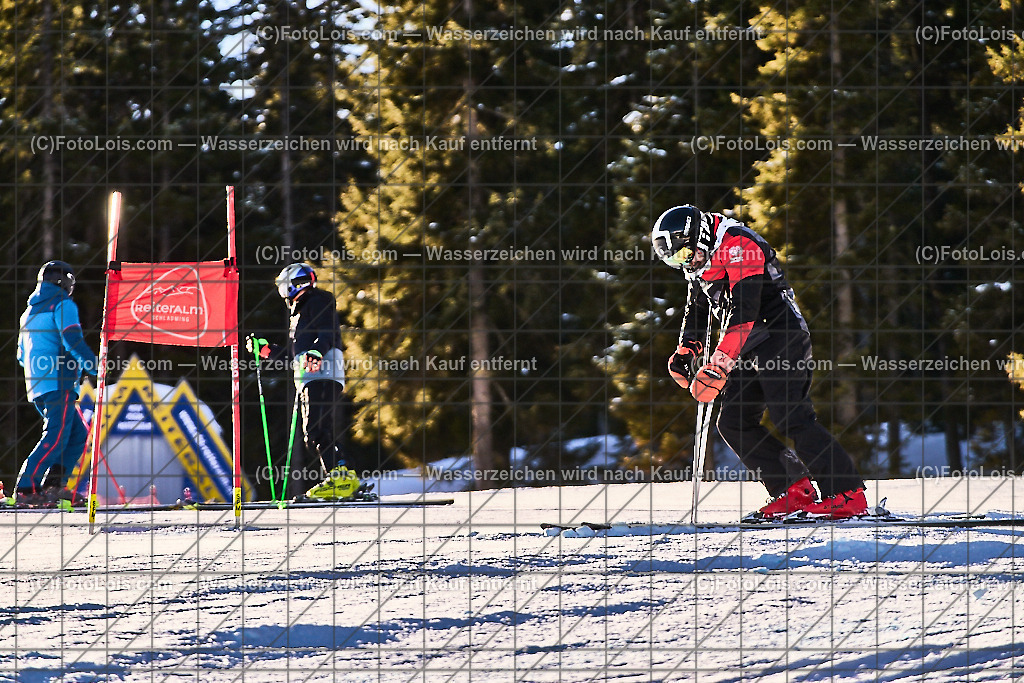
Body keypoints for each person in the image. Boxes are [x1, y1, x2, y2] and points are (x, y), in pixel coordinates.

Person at [652, 205, 867, 520]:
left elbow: (745, 308)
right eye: (675, 260)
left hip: (779, 334)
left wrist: (719, 363)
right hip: (745, 344)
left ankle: (847, 493)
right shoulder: (699, 259)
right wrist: (686, 350)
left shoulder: (737, 243)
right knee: (734, 422)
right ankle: (795, 490)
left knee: (792, 415)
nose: (686, 262)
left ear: (697, 235)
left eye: (685, 254)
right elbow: (697, 308)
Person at [246, 262, 359, 500]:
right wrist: (267, 351)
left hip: (323, 369)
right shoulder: (298, 314)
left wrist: (317, 351)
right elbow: (295, 356)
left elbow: (327, 330)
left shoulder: (318, 300)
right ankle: (343, 475)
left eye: (284, 287)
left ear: (296, 284)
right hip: (311, 373)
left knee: (315, 430)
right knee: (317, 430)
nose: (283, 293)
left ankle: (339, 478)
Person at [13, 261, 98, 507]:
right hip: (58, 381)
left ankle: (54, 485)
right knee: (58, 435)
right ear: (67, 283)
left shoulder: (28, 313)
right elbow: (72, 340)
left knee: (76, 435)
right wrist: (95, 367)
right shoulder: (63, 305)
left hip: (38, 384)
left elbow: (20, 354)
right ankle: (26, 487)